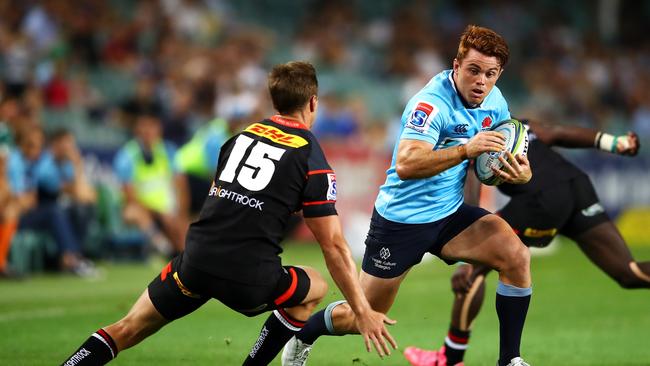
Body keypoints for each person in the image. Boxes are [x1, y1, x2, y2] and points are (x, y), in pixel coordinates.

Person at [61, 61, 396, 365]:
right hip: (248, 278)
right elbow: (334, 245)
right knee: (315, 285)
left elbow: (230, 198)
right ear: (312, 103)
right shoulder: (312, 158)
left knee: (128, 327)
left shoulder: (239, 138)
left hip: (195, 261)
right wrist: (362, 310)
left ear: (275, 100)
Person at [282, 25, 533, 366]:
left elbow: (502, 154)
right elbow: (406, 163)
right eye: (473, 71)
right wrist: (465, 150)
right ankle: (305, 332)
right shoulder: (430, 104)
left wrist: (522, 173)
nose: (481, 82)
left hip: (449, 215)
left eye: (490, 74)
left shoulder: (496, 102)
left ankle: (511, 360)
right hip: (402, 221)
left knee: (515, 255)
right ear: (456, 66)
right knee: (364, 317)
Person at [403, 120, 648, 366]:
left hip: (540, 200)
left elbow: (471, 189)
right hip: (577, 187)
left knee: (473, 270)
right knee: (629, 272)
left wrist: (467, 253)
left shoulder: (474, 137)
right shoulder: (515, 123)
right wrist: (615, 143)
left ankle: (450, 359)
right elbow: (559, 131)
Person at [113, 112, 189, 256]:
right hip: (144, 210)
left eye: (151, 126)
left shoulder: (169, 151)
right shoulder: (127, 156)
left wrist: (180, 214)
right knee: (134, 213)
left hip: (168, 210)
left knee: (182, 229)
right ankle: (163, 248)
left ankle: (179, 256)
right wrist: (159, 213)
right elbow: (130, 198)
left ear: (159, 129)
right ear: (137, 130)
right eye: (144, 126)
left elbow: (181, 186)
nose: (147, 131)